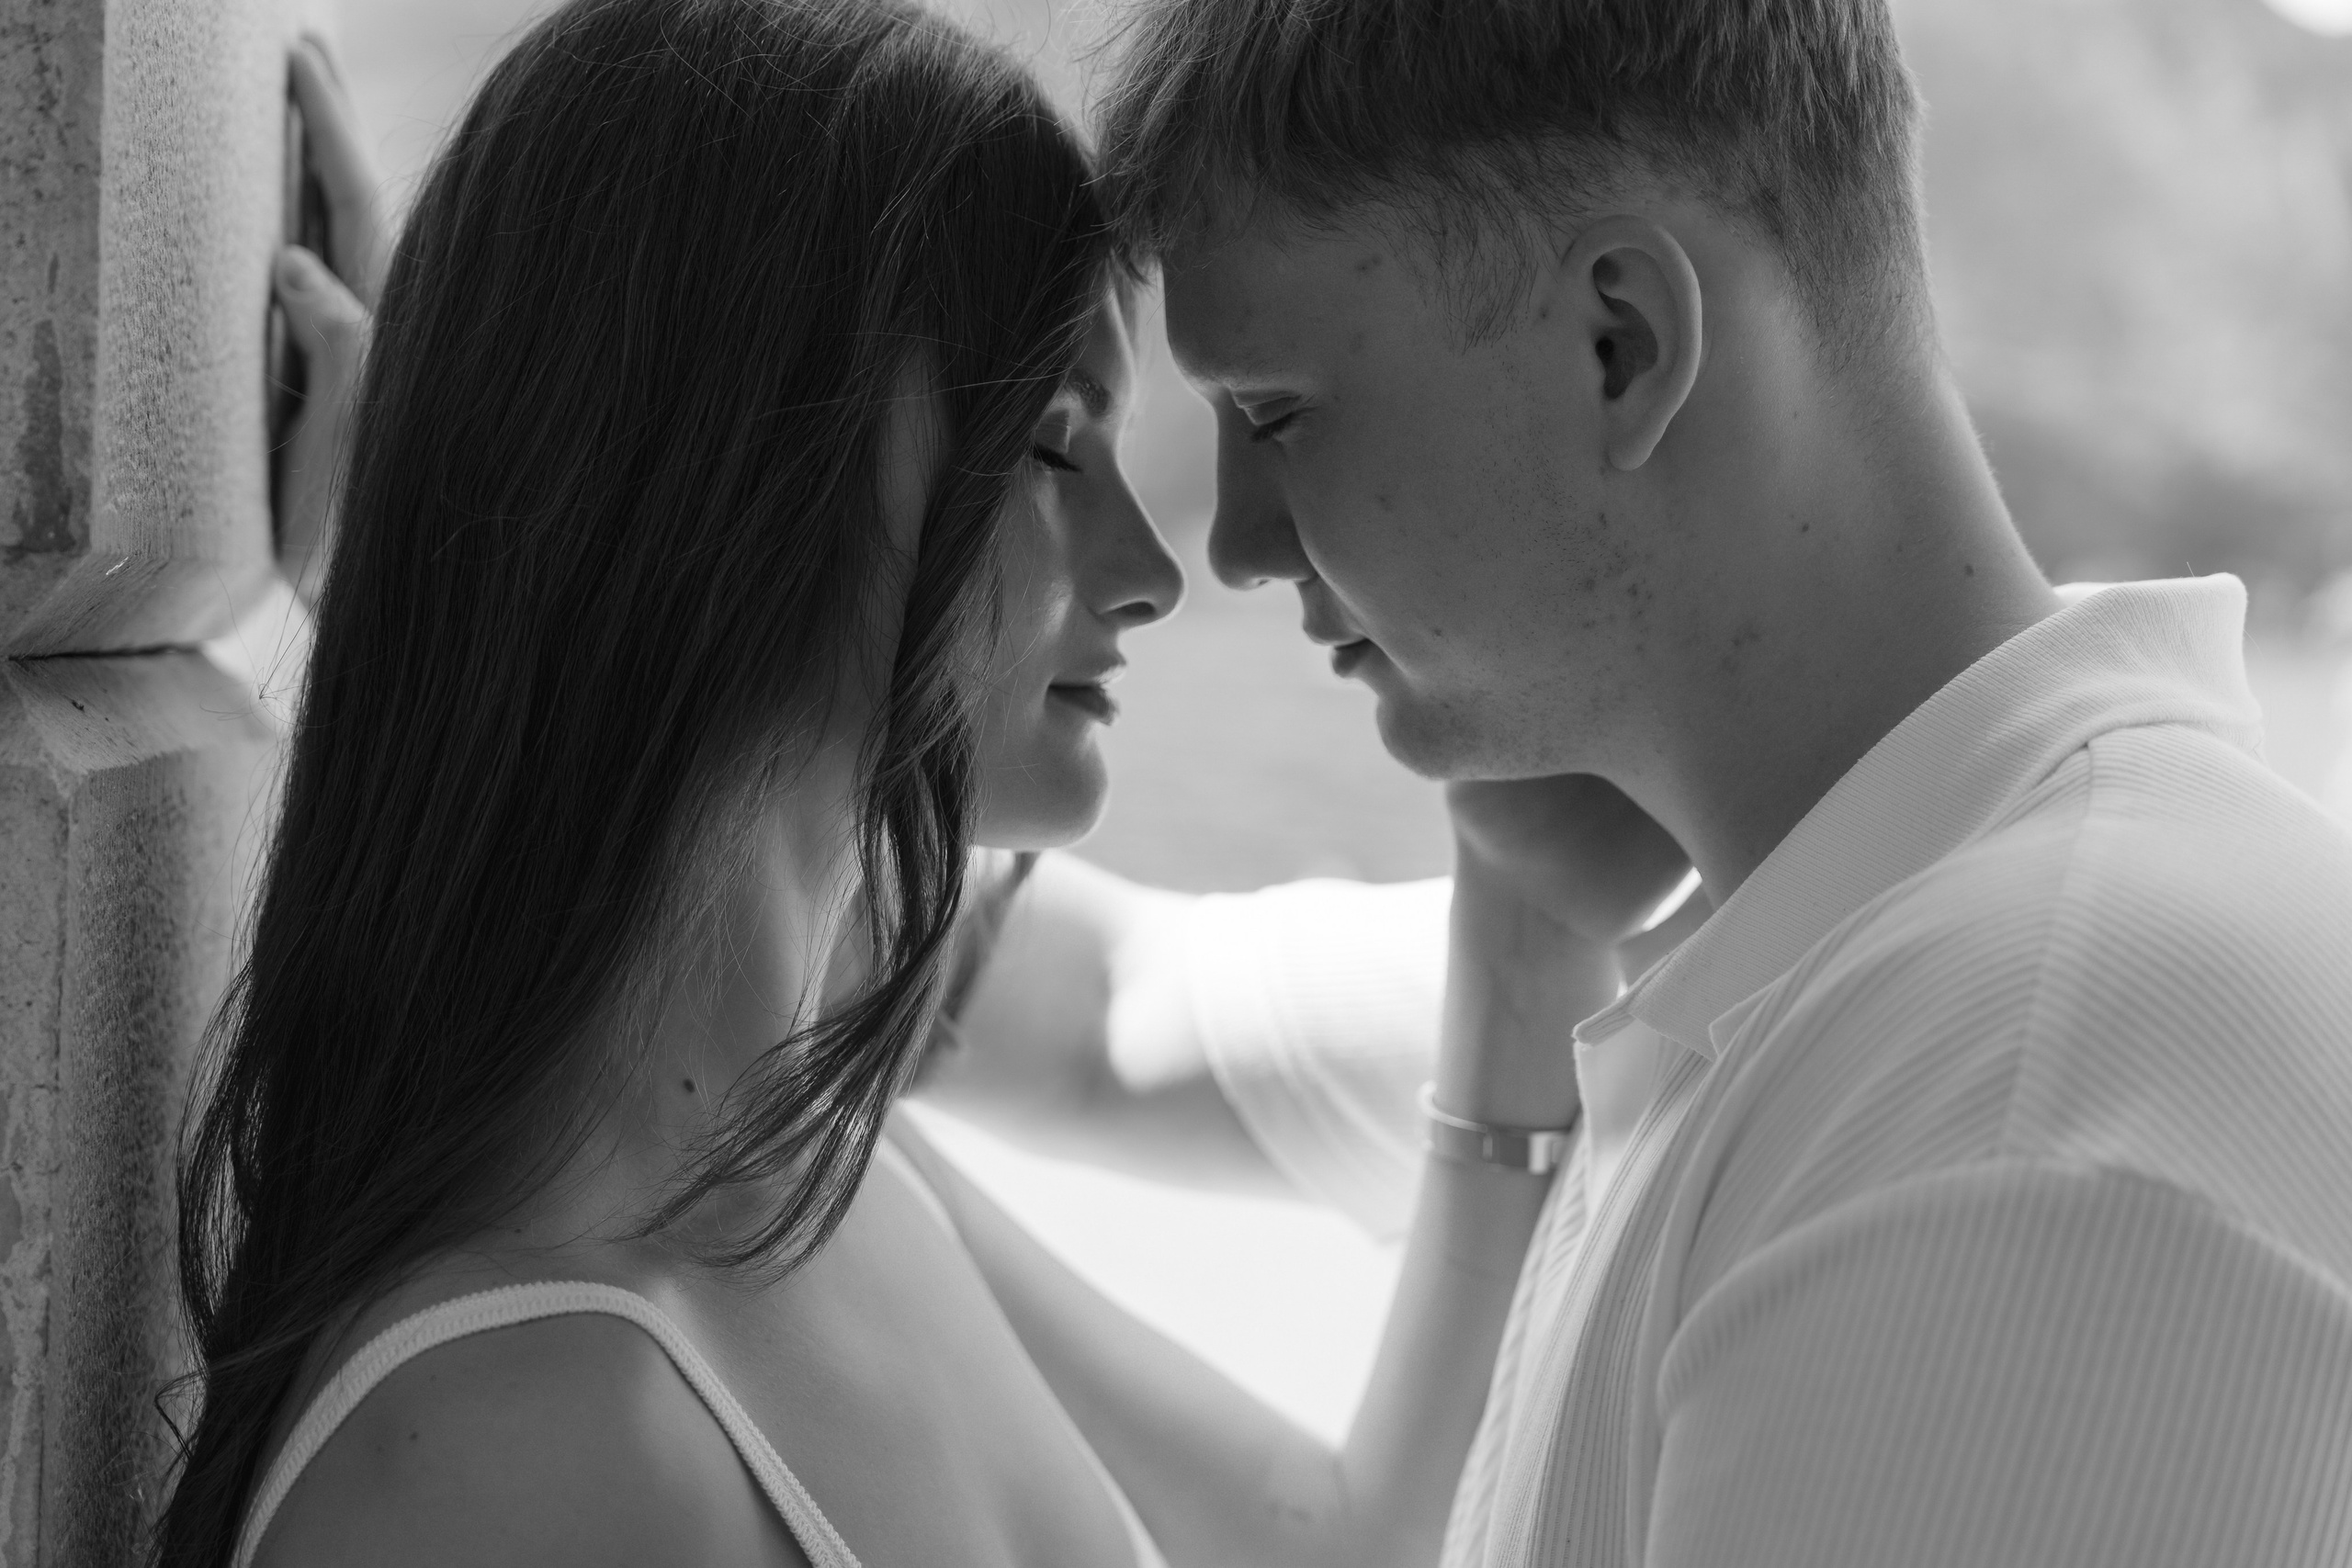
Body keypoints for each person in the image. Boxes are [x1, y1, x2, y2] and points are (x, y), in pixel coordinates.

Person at [164, 9, 1690, 1567]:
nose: (1159, 571)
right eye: (1048, 445)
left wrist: (1520, 906)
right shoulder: (507, 1461)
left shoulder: (813, 1169)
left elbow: (1350, 1543)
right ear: (724, 475)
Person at [901, 1, 2352, 1565]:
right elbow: (1102, 1005)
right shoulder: (1841, 946)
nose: (1236, 549)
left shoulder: (2012, 1109)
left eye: (1279, 417)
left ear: (1624, 344)